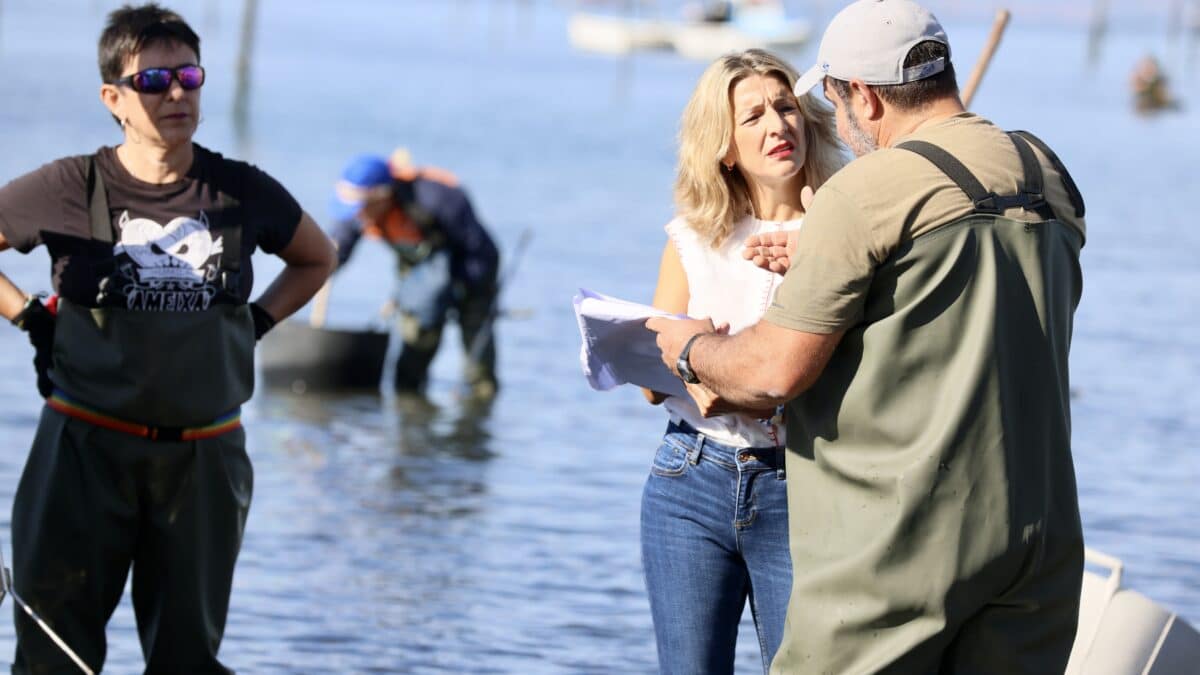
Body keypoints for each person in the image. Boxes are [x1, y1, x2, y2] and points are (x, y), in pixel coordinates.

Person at [647, 1, 1088, 672]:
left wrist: (686, 347)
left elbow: (773, 371)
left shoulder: (864, 192)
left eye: (830, 98)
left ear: (867, 98)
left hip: (903, 552)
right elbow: (965, 301)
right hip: (1037, 546)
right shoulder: (1044, 171)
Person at [0, 4, 335, 672]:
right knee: (53, 655)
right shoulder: (71, 185)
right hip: (83, 454)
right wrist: (30, 317)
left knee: (187, 659)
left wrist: (255, 324)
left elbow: (317, 257)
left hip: (204, 460)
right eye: (154, 82)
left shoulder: (239, 189)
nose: (176, 93)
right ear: (114, 99)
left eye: (188, 75)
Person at [639, 49, 845, 675]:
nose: (776, 126)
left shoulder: (846, 235)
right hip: (688, 480)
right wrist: (687, 361)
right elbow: (653, 378)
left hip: (801, 485)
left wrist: (705, 364)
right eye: (752, 116)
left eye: (786, 108)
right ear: (725, 146)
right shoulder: (692, 239)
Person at [329, 152, 500, 397]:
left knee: (477, 353)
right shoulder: (360, 213)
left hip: (472, 268)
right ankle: (409, 406)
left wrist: (457, 292)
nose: (357, 214)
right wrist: (324, 267)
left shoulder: (438, 199)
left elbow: (479, 252)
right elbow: (339, 245)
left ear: (383, 196)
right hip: (420, 272)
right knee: (415, 340)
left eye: (362, 207)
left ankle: (478, 407)